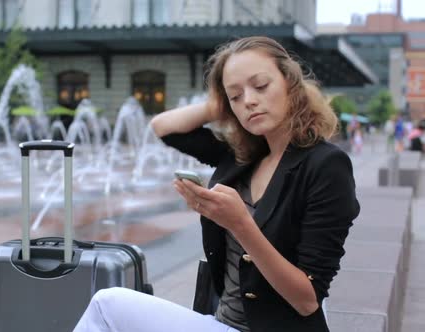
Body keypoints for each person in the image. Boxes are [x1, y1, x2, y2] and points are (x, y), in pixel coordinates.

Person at [73, 36, 360, 332]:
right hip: (220, 322)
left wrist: (240, 224)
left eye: (261, 86)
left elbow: (307, 300)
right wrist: (221, 103)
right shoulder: (242, 158)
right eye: (236, 96)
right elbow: (164, 127)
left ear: (290, 84)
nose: (249, 100)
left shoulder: (326, 165)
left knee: (106, 304)